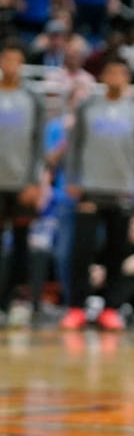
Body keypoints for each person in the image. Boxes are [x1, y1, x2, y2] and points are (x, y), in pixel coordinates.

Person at [63, 56, 134, 331]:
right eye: (110, 72)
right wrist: (72, 178)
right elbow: (74, 147)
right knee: (82, 252)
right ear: (102, 77)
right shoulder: (88, 107)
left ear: (127, 77)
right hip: (89, 188)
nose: (115, 78)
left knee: (117, 252)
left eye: (120, 73)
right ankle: (76, 307)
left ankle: (110, 308)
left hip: (122, 190)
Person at [0, 41, 46, 327]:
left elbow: (38, 144)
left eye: (18, 60)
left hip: (21, 184)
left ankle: (13, 299)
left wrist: (34, 181)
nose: (12, 65)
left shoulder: (33, 99)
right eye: (8, 59)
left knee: (20, 245)